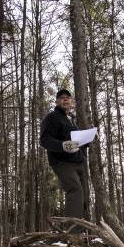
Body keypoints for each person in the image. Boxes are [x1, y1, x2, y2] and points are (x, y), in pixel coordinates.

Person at [40, 89, 89, 230]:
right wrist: (62, 145)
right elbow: (44, 140)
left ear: (71, 101)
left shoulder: (72, 120)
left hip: (79, 161)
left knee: (85, 197)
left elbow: (77, 140)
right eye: (62, 98)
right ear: (56, 101)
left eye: (68, 98)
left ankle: (83, 233)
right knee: (75, 190)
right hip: (62, 162)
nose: (66, 100)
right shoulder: (52, 118)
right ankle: (72, 236)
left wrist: (88, 139)